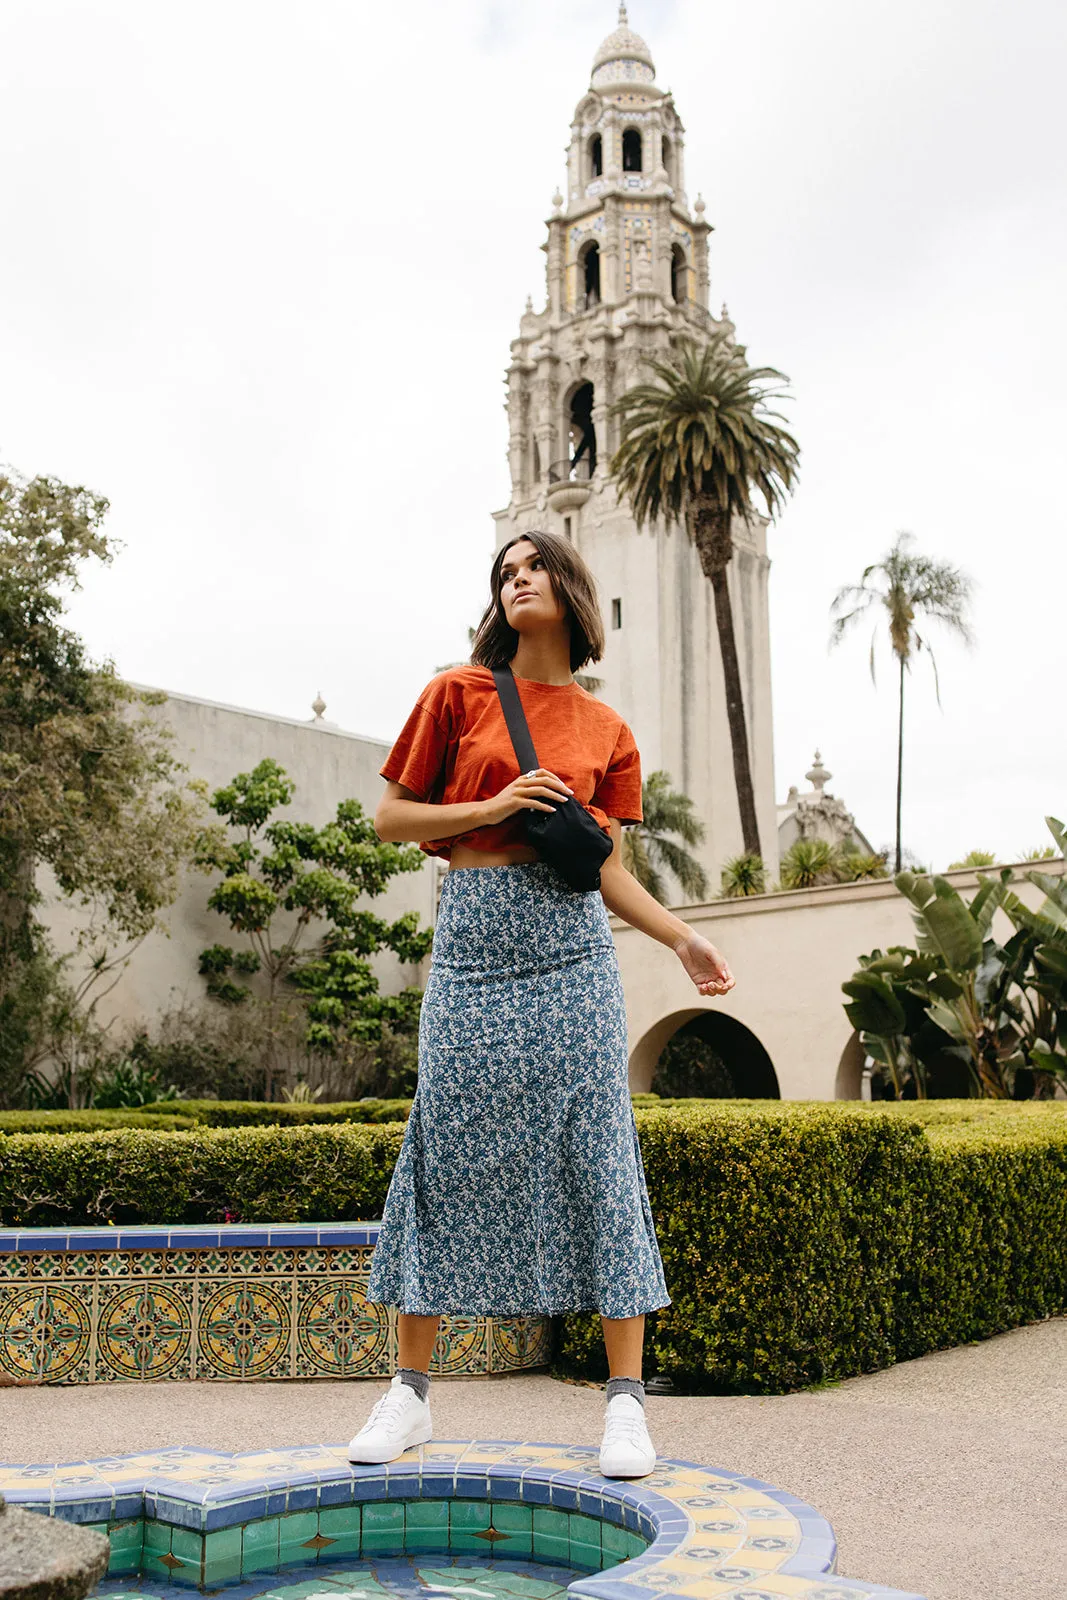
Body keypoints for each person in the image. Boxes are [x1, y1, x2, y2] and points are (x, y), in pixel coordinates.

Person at [348, 530, 734, 1476]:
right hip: (475, 941)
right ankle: (409, 1394)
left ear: (568, 588)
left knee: (600, 1149)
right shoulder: (456, 693)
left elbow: (603, 869)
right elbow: (391, 818)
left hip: (571, 954)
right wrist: (486, 808)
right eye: (504, 573)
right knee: (441, 1144)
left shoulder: (607, 731)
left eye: (532, 568)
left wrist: (680, 936)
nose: (516, 579)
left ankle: (625, 1406)